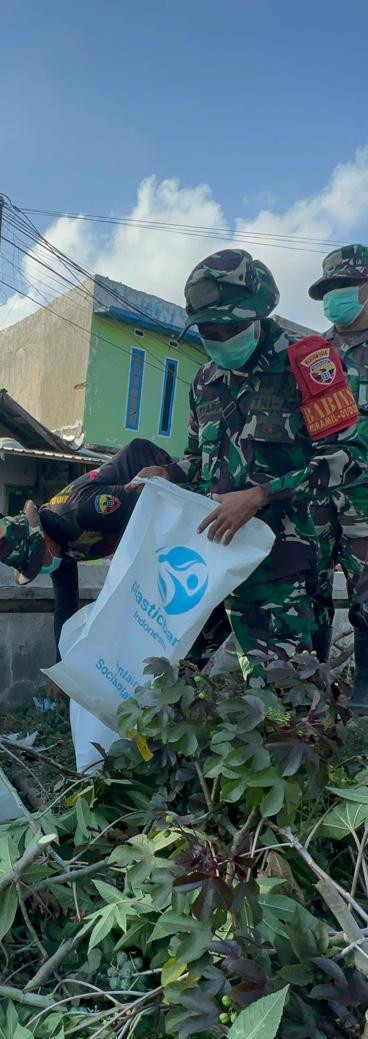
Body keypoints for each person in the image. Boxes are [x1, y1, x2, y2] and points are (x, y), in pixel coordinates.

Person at [134, 249, 363, 678]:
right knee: (174, 681)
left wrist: (261, 495)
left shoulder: (309, 365)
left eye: (231, 325)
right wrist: (168, 473)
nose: (219, 336)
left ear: (260, 314)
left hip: (283, 564)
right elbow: (201, 460)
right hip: (208, 559)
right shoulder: (205, 381)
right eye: (208, 329)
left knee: (284, 698)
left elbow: (347, 459)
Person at [0, 439, 230, 661]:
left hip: (159, 478)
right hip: (142, 518)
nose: (44, 567)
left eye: (40, 561)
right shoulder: (58, 546)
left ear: (42, 537)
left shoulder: (82, 510)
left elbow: (150, 499)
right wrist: (62, 667)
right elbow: (65, 608)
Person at [307, 245, 368, 706]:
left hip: (365, 495)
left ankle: (364, 686)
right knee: (312, 587)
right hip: (314, 491)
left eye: (343, 287)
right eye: (328, 290)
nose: (335, 297)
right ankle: (312, 684)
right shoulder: (313, 353)